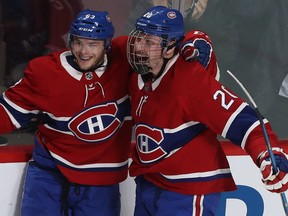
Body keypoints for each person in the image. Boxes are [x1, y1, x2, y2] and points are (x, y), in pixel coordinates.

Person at [126, 6, 288, 215]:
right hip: (150, 182)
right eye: (139, 38)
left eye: (149, 42)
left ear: (169, 48)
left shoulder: (191, 82)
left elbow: (244, 121)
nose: (139, 47)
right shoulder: (139, 69)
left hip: (188, 188)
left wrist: (267, 154)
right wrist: (196, 36)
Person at [0, 9, 133, 216]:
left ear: (107, 45)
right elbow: (7, 114)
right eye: (78, 42)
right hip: (49, 176)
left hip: (101, 182)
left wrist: (193, 42)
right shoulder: (45, 71)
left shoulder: (125, 62)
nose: (83, 51)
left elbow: (162, 41)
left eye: (92, 44)